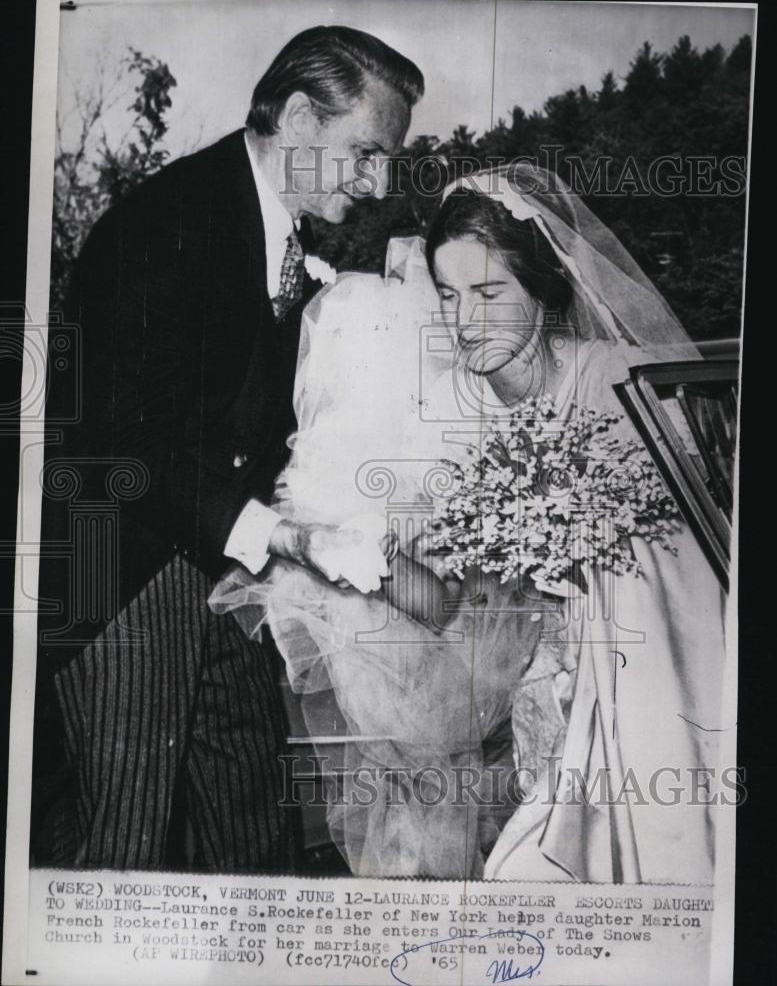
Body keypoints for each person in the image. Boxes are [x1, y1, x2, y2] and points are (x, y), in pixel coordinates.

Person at [212, 163, 727, 884]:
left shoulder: (619, 383)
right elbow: (442, 601)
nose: (464, 321)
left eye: (488, 293)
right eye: (449, 295)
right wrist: (354, 547)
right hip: (531, 702)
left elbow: (690, 571)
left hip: (637, 682)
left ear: (541, 287)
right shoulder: (447, 409)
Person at [33, 26, 422, 871]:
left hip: (220, 566)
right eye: (366, 153)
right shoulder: (168, 221)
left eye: (388, 161)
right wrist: (286, 538)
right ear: (298, 117)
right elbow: (125, 443)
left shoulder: (280, 229)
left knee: (252, 828)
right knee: (126, 843)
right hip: (123, 569)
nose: (380, 182)